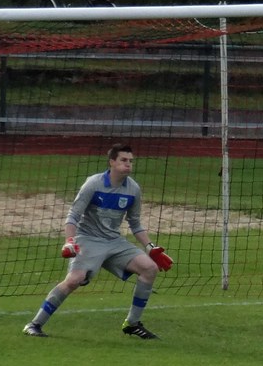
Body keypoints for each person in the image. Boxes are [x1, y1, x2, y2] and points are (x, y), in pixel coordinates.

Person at [22, 143, 173, 339]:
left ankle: (132, 324)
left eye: (131, 161)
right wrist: (69, 241)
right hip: (88, 239)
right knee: (74, 280)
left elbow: (135, 223)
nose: (128, 164)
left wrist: (150, 247)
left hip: (114, 241)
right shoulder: (93, 184)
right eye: (124, 160)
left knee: (149, 268)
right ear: (112, 162)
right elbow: (73, 215)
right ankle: (34, 324)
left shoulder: (133, 189)